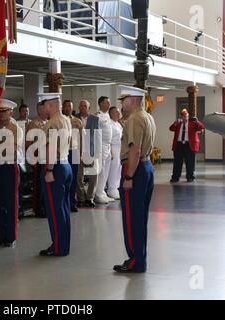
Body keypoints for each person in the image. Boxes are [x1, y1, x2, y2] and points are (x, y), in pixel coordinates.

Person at [114, 86, 156, 274]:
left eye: (123, 100)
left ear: (131, 100)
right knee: (140, 218)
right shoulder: (147, 116)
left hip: (135, 169)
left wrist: (129, 176)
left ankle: (135, 261)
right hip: (146, 167)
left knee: (132, 218)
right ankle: (140, 257)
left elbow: (134, 150)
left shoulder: (134, 118)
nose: (122, 104)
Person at [39, 93, 72, 257]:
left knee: (54, 209)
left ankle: (58, 247)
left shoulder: (52, 123)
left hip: (56, 168)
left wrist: (49, 170)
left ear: (50, 105)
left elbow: (51, 147)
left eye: (44, 105)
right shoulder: (66, 119)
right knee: (63, 208)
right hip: (65, 165)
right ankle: (64, 244)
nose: (42, 108)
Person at [0, 99, 23, 248]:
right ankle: (1, 234)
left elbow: (12, 148)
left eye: (3, 111)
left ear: (10, 112)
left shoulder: (16, 129)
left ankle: (11, 236)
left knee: (11, 202)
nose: (1, 114)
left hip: (10, 165)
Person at [26, 102, 49, 218]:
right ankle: (38, 209)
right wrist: (32, 159)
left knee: (45, 184)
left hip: (46, 157)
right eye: (44, 109)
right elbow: (28, 143)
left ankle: (45, 207)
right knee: (38, 185)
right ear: (40, 110)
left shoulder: (48, 122)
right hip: (37, 157)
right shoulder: (34, 124)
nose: (47, 111)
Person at [169, 109, 205, 183]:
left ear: (188, 116)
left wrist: (197, 121)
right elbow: (171, 128)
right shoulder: (178, 123)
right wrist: (175, 123)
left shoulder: (193, 123)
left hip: (189, 145)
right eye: (183, 116)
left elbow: (201, 127)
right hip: (178, 145)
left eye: (186, 116)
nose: (185, 118)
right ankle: (175, 177)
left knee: (190, 162)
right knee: (177, 162)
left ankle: (190, 177)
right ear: (181, 116)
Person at [75, 100, 99, 208]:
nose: (83, 107)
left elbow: (97, 136)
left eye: (85, 106)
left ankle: (90, 198)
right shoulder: (74, 118)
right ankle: (81, 198)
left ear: (89, 107)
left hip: (91, 150)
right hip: (77, 150)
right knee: (78, 176)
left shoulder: (95, 119)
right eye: (81, 105)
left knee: (94, 174)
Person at [62, 100, 82, 212]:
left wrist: (80, 153)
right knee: (64, 179)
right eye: (66, 106)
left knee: (74, 178)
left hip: (74, 151)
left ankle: (72, 202)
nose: (68, 108)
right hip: (64, 151)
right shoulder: (60, 121)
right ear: (63, 107)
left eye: (70, 106)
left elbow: (81, 139)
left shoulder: (77, 122)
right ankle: (65, 203)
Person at [94, 96, 114, 204]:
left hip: (107, 145)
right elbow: (94, 132)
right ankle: (97, 194)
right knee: (100, 171)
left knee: (106, 171)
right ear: (101, 103)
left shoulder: (107, 115)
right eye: (107, 102)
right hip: (100, 146)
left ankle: (102, 192)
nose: (109, 104)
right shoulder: (97, 116)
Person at [107, 106, 123, 200]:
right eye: (116, 112)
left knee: (118, 169)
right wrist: (111, 152)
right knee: (113, 169)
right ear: (111, 113)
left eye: (118, 112)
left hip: (119, 148)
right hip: (113, 148)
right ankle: (111, 189)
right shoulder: (110, 124)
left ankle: (115, 188)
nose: (118, 113)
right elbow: (109, 139)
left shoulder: (118, 124)